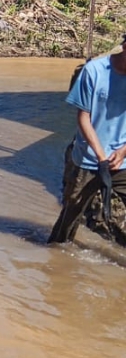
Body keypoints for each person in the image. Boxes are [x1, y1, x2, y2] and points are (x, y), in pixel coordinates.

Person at [53, 40, 126, 240]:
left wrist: (123, 151)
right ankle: (55, 257)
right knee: (70, 217)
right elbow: (83, 117)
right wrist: (101, 158)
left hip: (122, 159)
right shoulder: (94, 70)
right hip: (88, 159)